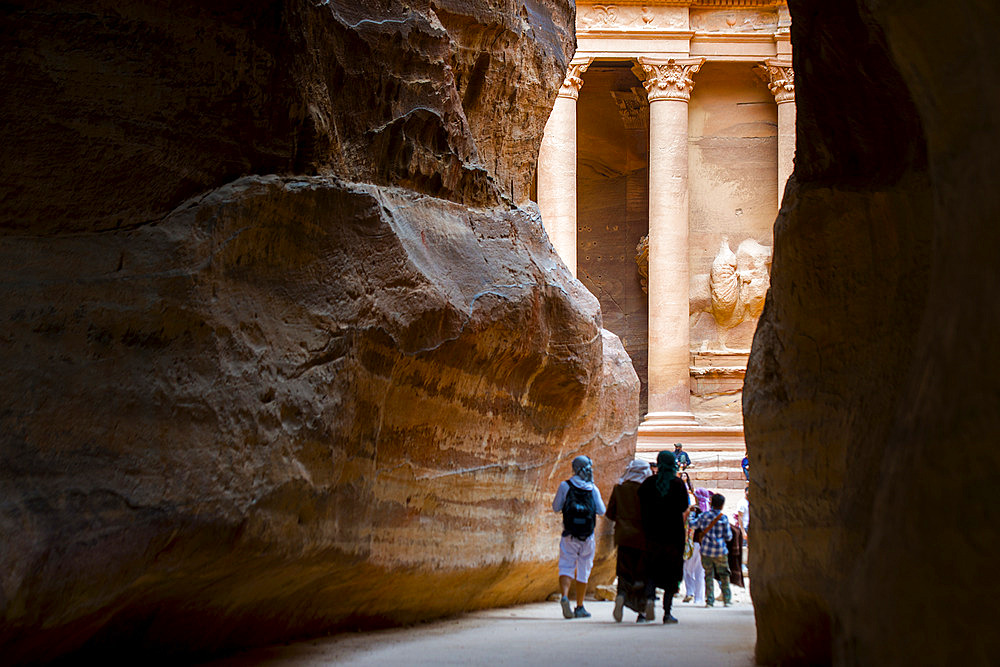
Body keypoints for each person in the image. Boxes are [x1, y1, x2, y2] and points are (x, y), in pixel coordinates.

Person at [638, 450, 689, 624]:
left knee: (650, 571)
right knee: (671, 573)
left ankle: (648, 603)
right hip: (673, 535)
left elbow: (641, 506)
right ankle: (667, 613)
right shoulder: (678, 484)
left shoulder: (648, 483)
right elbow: (683, 507)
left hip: (651, 534)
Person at [552, 455, 606, 619]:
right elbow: (602, 511)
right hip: (587, 536)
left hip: (569, 534)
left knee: (566, 566)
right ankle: (580, 606)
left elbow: (556, 507)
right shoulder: (592, 489)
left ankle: (564, 597)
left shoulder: (565, 486)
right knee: (584, 569)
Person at [605, 459, 653, 623]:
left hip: (624, 537)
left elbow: (610, 513)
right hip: (643, 539)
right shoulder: (648, 491)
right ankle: (642, 613)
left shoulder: (619, 489)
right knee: (641, 574)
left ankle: (621, 595)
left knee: (624, 571)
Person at [692, 493, 733, 607]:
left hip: (705, 550)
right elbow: (729, 536)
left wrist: (691, 514)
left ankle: (709, 601)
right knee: (724, 575)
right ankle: (727, 599)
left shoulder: (704, 516)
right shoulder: (723, 518)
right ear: (722, 505)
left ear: (711, 503)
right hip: (720, 551)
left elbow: (693, 525)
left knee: (708, 575)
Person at [681, 504, 705, 605]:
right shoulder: (704, 518)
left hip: (689, 546)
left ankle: (690, 591)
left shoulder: (689, 521)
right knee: (700, 573)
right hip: (701, 546)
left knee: (687, 570)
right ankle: (699, 598)